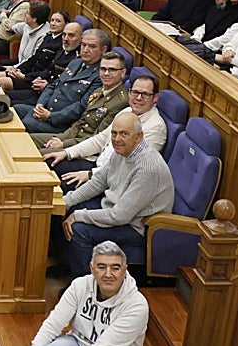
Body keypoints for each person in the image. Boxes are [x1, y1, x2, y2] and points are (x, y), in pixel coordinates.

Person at [58, 113, 174, 277]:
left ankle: (87, 288)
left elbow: (120, 216)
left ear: (138, 137)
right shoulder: (123, 150)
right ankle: (68, 266)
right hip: (115, 208)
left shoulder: (148, 168)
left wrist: (79, 215)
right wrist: (66, 202)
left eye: (124, 134)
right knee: (64, 209)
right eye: (114, 133)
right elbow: (98, 182)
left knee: (79, 231)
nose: (117, 139)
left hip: (136, 226)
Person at [47, 73, 167, 184]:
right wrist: (67, 152)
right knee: (51, 164)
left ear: (155, 97)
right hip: (97, 164)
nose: (139, 98)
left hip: (112, 181)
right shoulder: (126, 111)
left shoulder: (155, 128)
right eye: (135, 92)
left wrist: (90, 174)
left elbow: (129, 167)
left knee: (60, 184)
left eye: (145, 94)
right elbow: (100, 140)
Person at [14, 29, 106, 136]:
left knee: (25, 123)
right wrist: (40, 104)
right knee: (16, 110)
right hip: (46, 110)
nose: (85, 50)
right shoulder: (75, 62)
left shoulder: (100, 75)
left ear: (103, 50)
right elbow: (53, 85)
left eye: (92, 46)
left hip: (61, 123)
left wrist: (50, 116)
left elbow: (81, 106)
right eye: (83, 45)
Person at [35, 51, 129, 149]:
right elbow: (79, 124)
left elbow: (97, 138)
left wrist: (63, 144)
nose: (106, 73)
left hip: (84, 148)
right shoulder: (98, 91)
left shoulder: (120, 102)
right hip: (72, 138)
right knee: (29, 140)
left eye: (112, 70)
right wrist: (60, 138)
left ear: (122, 73)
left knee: (37, 153)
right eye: (103, 69)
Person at [0, 11, 70, 100]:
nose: (53, 23)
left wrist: (25, 77)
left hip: (35, 79)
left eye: (58, 21)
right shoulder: (49, 36)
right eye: (52, 20)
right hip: (28, 73)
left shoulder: (61, 44)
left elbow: (48, 69)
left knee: (2, 82)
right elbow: (34, 58)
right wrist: (18, 69)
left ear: (66, 24)